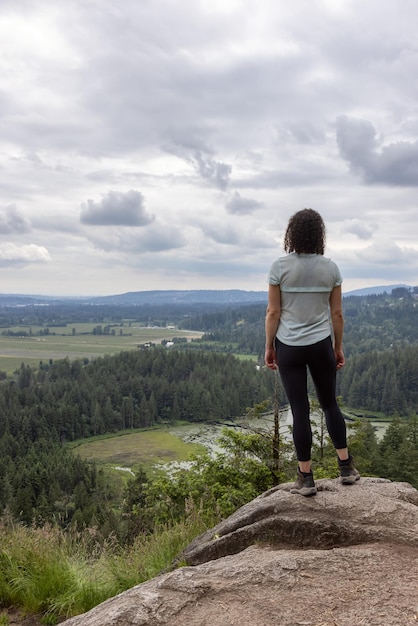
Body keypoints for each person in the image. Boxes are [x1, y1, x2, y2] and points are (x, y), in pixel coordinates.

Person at [264, 208, 359, 496]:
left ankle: (305, 478)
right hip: (320, 345)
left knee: (300, 409)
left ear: (291, 233)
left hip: (289, 346)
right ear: (320, 234)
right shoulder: (331, 268)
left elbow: (273, 312)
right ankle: (346, 468)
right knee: (330, 404)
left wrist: (269, 346)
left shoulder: (279, 267)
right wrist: (337, 347)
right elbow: (337, 313)